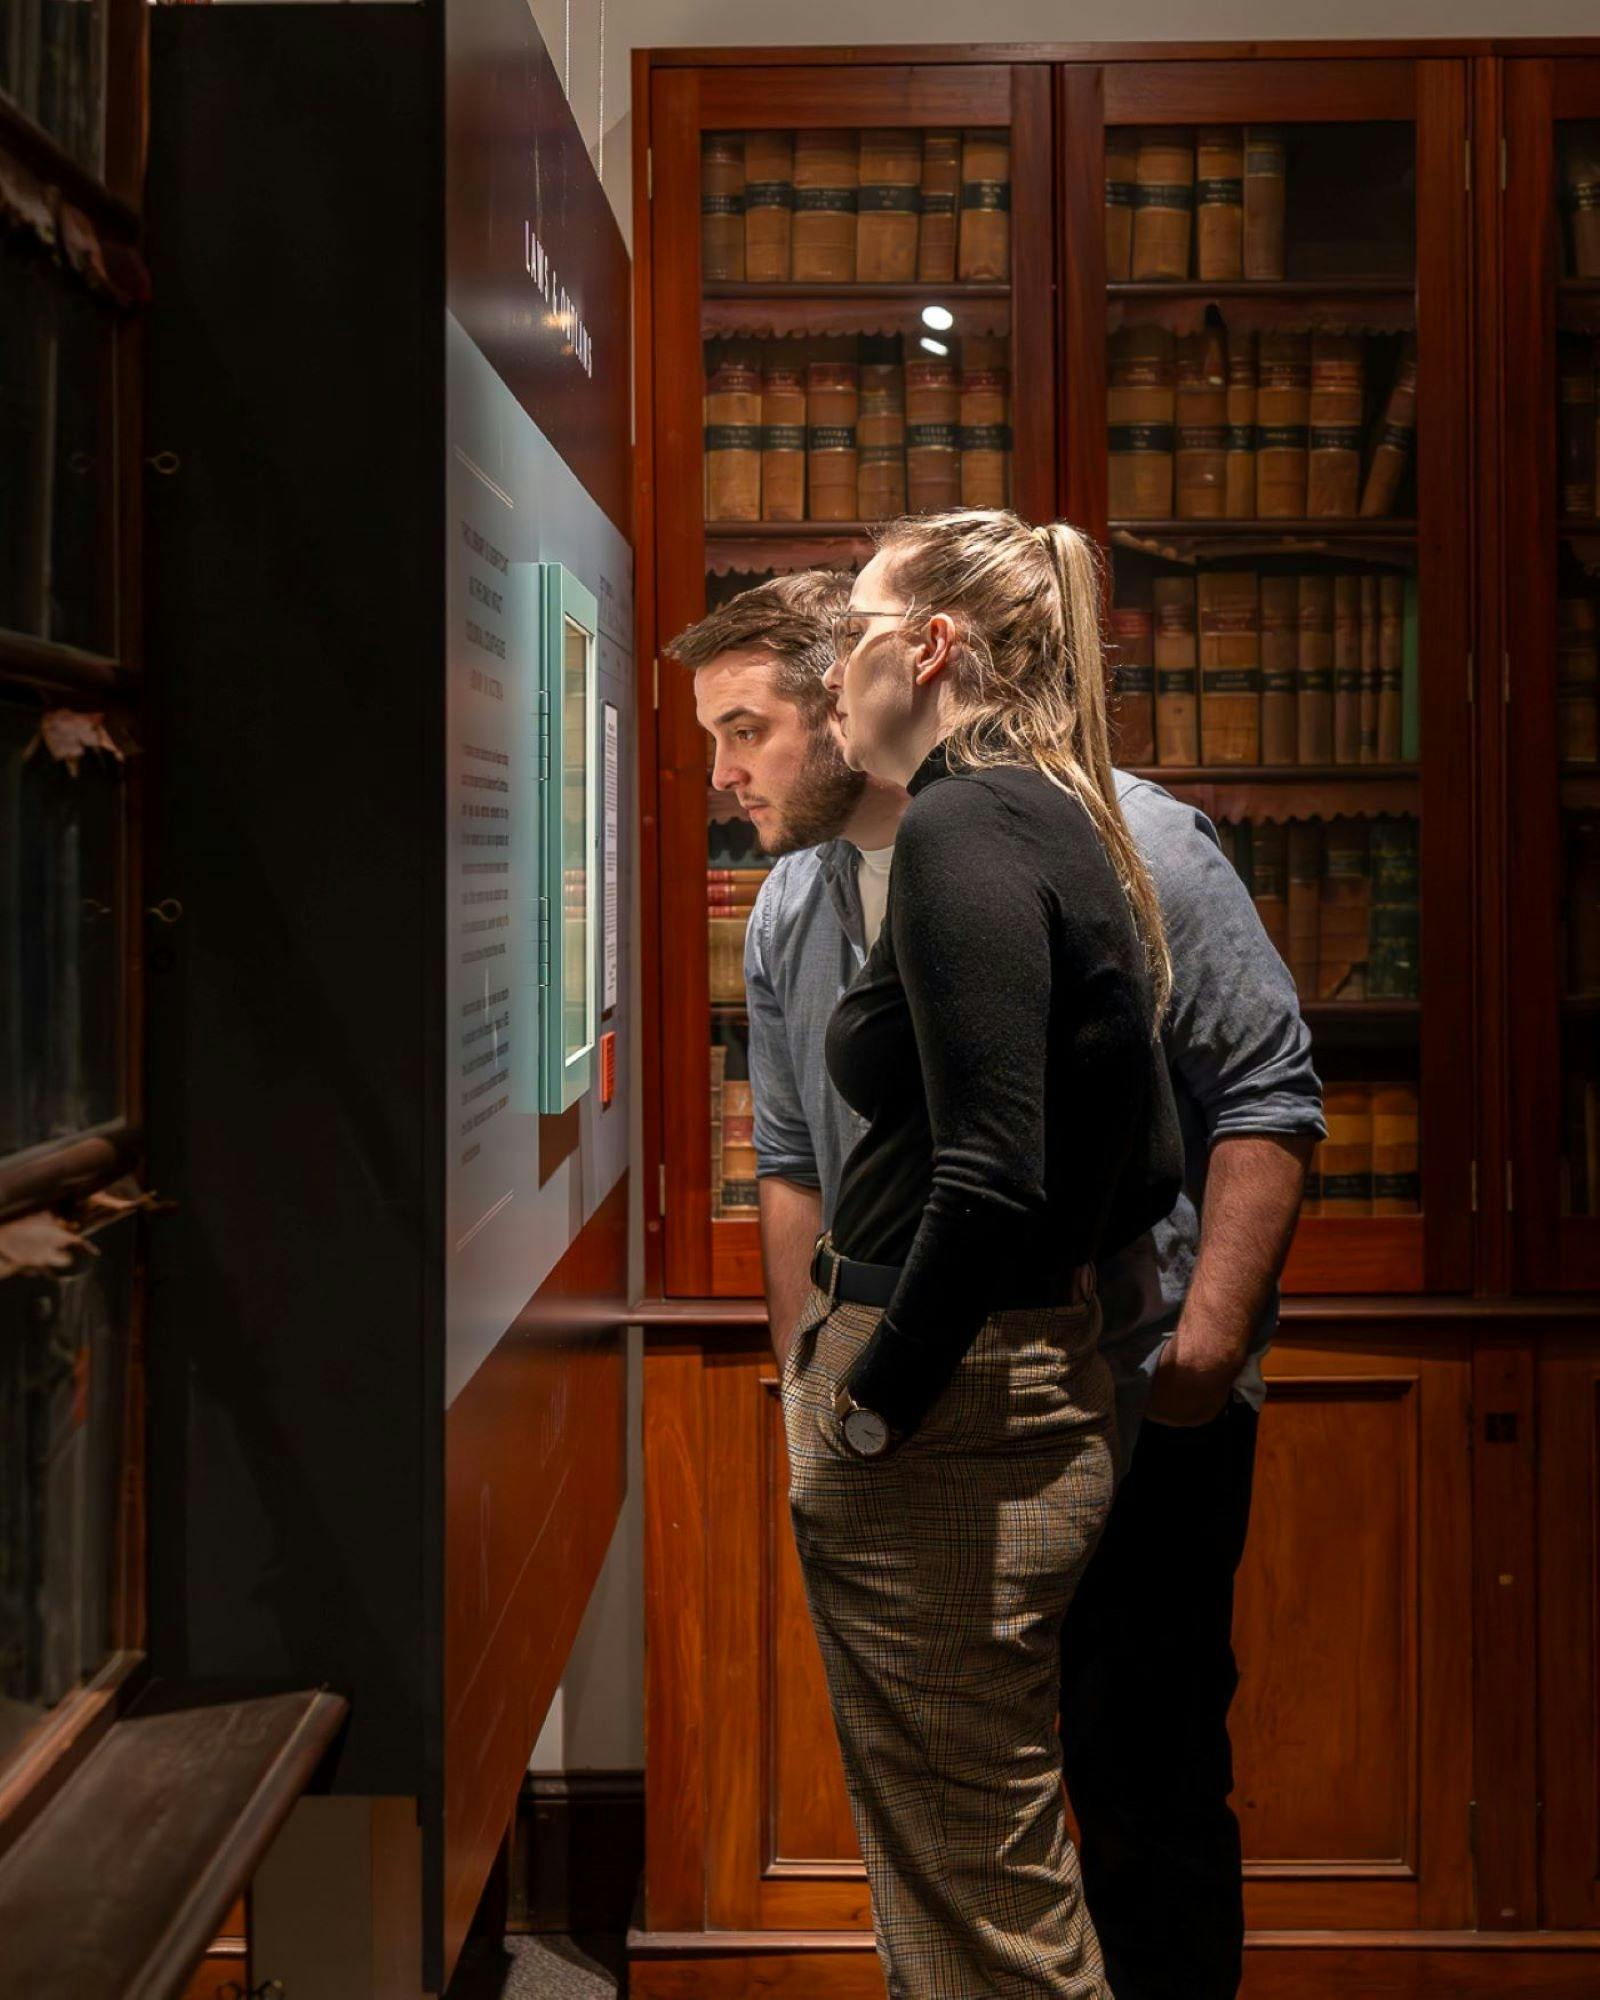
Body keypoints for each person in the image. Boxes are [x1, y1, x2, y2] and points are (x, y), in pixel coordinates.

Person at [669, 528, 1324, 2000]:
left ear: (866, 679)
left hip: (1119, 1387)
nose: (727, 772)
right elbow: (795, 1164)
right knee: (969, 1813)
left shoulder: (1132, 842)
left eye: (750, 727)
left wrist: (1202, 1357)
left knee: (1142, 1777)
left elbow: (1263, 1097)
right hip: (922, 1408)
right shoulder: (791, 906)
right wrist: (819, 1391)